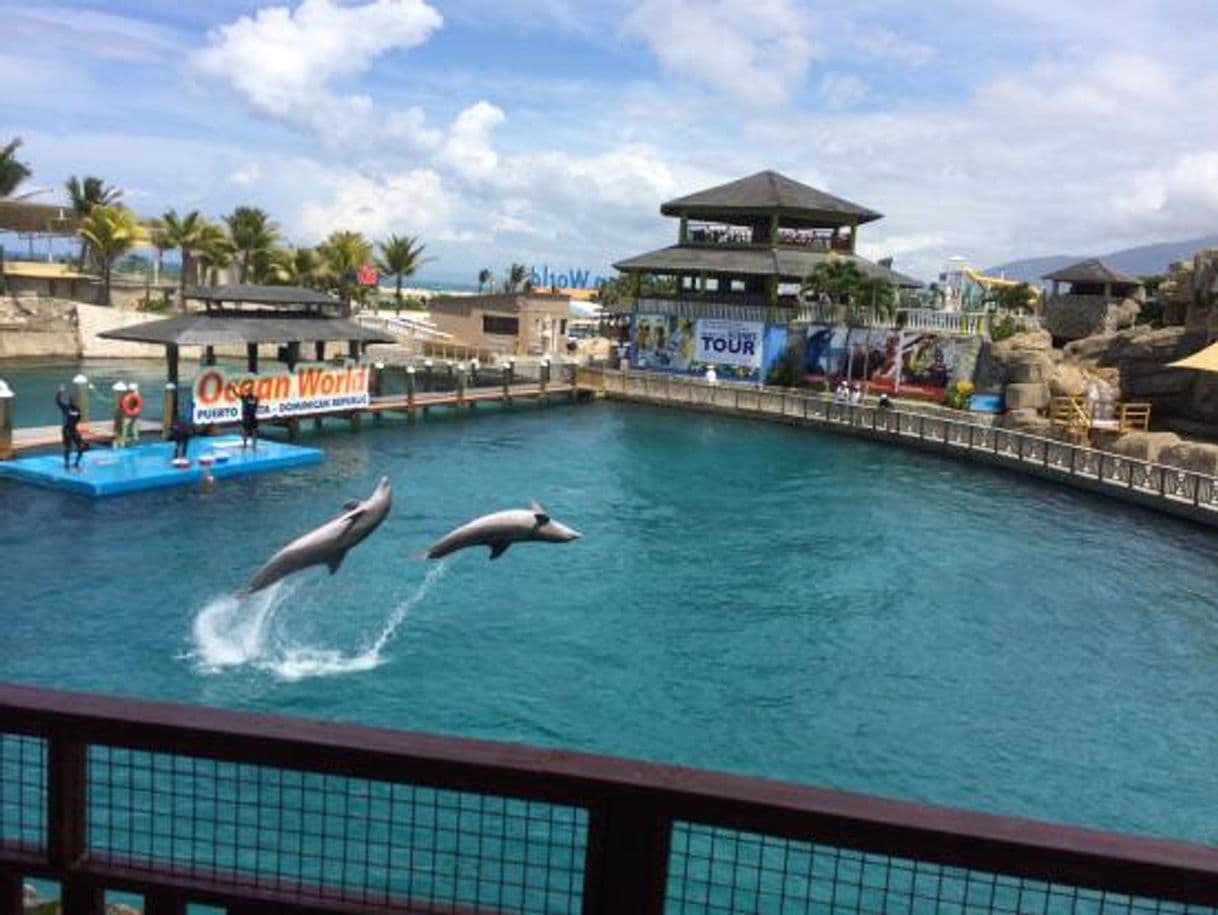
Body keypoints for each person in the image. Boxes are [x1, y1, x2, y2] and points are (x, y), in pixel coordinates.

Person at [55, 385, 88, 471]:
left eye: (75, 401)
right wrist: (60, 391)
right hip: (66, 430)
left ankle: (76, 463)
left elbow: (79, 418)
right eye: (73, 400)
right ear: (70, 401)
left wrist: (74, 420)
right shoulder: (66, 408)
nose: (74, 402)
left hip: (73, 430)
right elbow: (57, 401)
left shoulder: (78, 410)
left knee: (81, 447)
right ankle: (66, 464)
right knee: (68, 448)